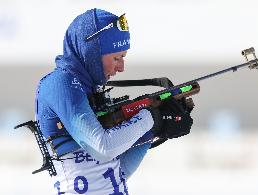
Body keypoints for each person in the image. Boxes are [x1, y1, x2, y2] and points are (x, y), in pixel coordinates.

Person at [35, 8, 193, 194]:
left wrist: (153, 131)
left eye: (123, 57)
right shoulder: (61, 83)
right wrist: (149, 118)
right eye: (116, 57)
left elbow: (118, 172)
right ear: (91, 52)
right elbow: (103, 147)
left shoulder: (90, 89)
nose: (121, 67)